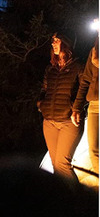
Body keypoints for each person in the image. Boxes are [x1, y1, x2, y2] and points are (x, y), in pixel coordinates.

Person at [37, 34, 85, 183]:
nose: (53, 44)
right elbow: (44, 89)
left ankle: (80, 199)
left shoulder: (78, 67)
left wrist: (76, 108)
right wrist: (41, 104)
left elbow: (84, 89)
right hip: (49, 122)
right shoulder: (50, 69)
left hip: (68, 122)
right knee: (55, 165)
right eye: (52, 41)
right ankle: (65, 201)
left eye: (57, 40)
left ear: (66, 42)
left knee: (62, 164)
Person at [71, 37, 99, 174]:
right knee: (94, 151)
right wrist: (76, 107)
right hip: (94, 106)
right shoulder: (94, 52)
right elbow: (86, 81)